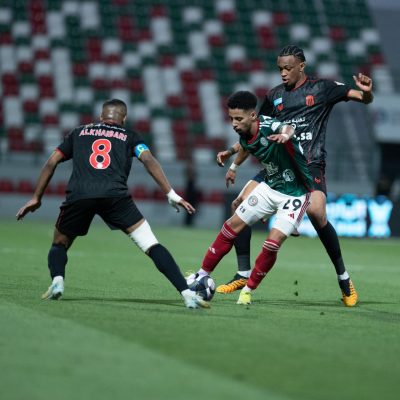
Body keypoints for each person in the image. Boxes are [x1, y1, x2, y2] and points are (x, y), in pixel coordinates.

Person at [215, 45, 374, 307]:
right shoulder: (274, 96)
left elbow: (363, 98)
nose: (283, 73)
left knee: (317, 212)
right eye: (280, 68)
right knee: (238, 204)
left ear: (301, 66)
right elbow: (253, 131)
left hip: (309, 164)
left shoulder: (322, 88)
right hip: (278, 165)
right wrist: (233, 158)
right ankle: (243, 274)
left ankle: (344, 278)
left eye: (288, 68)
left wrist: (366, 92)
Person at [16, 99, 209, 309]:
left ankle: (57, 281)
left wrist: (36, 197)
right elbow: (148, 160)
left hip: (80, 195)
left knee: (59, 243)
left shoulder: (78, 132)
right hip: (115, 197)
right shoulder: (130, 136)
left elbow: (51, 162)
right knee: (151, 244)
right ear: (124, 118)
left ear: (101, 116)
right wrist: (170, 193)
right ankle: (187, 293)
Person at [187, 90, 313, 305]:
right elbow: (246, 146)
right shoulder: (246, 133)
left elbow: (287, 128)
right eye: (231, 119)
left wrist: (285, 136)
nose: (234, 124)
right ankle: (202, 274)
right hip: (270, 187)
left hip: (295, 192)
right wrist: (233, 166)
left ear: (253, 115)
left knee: (272, 243)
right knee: (231, 225)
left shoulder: (269, 125)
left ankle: (248, 289)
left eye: (238, 119)